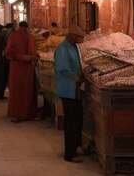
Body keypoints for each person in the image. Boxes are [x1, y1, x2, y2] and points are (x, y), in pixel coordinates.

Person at [54, 23, 86, 163]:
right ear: (72, 36)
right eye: (78, 37)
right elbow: (63, 69)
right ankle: (69, 153)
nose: (80, 40)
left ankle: (76, 146)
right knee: (71, 122)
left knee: (77, 119)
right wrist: (77, 79)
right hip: (68, 90)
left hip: (76, 90)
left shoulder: (74, 47)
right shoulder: (63, 49)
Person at [5, 20, 38, 121]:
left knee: (22, 90)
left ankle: (21, 113)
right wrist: (26, 57)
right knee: (21, 90)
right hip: (21, 67)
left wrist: (30, 58)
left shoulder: (16, 36)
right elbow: (10, 53)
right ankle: (21, 113)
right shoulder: (27, 37)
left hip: (22, 68)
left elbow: (8, 52)